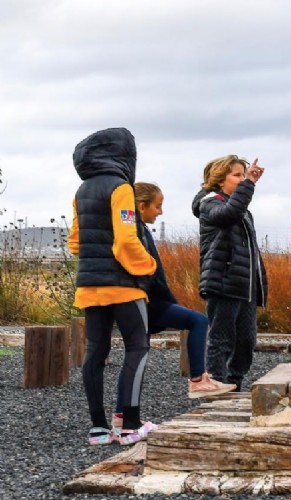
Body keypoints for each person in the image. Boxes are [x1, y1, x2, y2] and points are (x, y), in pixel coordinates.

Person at [68, 127, 158, 446]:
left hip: (89, 285)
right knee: (138, 347)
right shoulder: (122, 188)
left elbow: (75, 243)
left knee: (96, 352)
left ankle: (99, 429)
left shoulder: (82, 190)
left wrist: (96, 255)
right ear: (122, 155)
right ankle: (131, 426)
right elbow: (125, 240)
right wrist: (148, 266)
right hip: (122, 286)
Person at [192, 155, 268, 392]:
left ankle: (234, 384)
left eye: (242, 175)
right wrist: (249, 184)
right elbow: (228, 214)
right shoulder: (210, 203)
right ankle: (216, 384)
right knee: (222, 339)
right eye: (236, 175)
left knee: (246, 341)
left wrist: (259, 281)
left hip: (245, 286)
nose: (242, 179)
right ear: (219, 179)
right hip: (222, 280)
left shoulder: (243, 210)